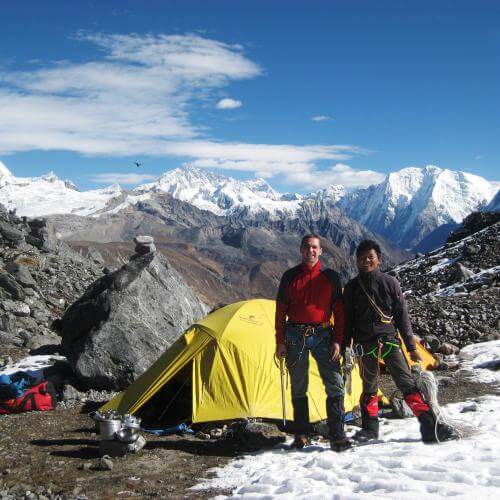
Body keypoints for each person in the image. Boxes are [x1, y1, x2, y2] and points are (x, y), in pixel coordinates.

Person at [343, 239, 458, 443]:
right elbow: (347, 320)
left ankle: (430, 427)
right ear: (357, 261)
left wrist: (411, 347)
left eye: (370, 257)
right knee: (369, 386)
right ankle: (370, 429)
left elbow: (402, 316)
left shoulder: (390, 283)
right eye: (362, 258)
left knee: (406, 383)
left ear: (379, 259)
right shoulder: (351, 288)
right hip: (364, 346)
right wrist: (345, 347)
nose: (366, 261)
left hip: (388, 342)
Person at [275, 234, 350, 451]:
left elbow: (339, 312)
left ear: (321, 251)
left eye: (315, 247)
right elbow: (280, 311)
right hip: (294, 335)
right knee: (298, 384)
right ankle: (302, 434)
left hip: (324, 335)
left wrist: (339, 341)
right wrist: (280, 341)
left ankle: (337, 434)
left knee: (334, 382)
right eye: (307, 247)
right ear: (301, 249)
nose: (311, 251)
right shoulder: (290, 277)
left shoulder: (331, 278)